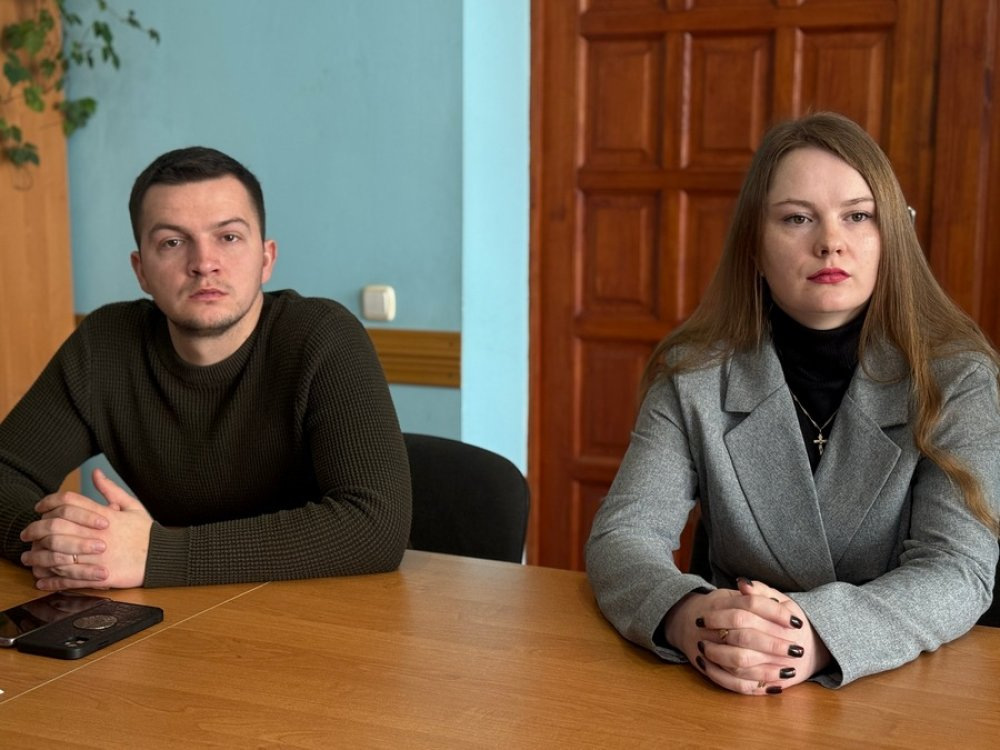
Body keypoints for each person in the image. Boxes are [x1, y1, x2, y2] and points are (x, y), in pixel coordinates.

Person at [585, 112, 1000, 694]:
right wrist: (689, 618)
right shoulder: (693, 374)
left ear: (891, 238)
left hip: (897, 685)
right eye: (797, 218)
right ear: (755, 245)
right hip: (728, 675)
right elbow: (624, 536)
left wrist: (816, 636)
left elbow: (958, 568)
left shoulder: (956, 377)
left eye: (858, 216)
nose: (830, 241)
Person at [0, 146, 412, 590]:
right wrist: (65, 547)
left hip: (323, 609)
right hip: (180, 609)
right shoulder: (105, 345)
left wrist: (156, 554)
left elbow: (376, 524)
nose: (203, 263)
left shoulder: (322, 336)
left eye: (228, 237)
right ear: (141, 270)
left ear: (266, 258)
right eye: (172, 243)